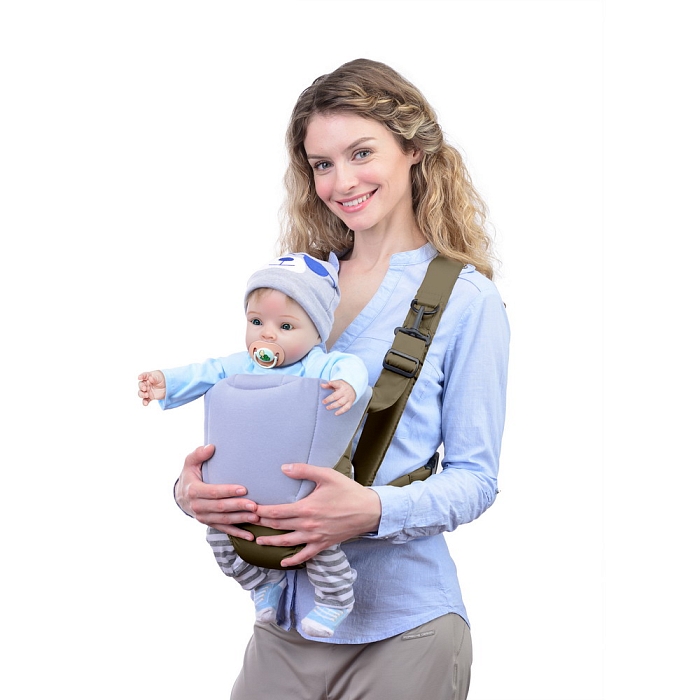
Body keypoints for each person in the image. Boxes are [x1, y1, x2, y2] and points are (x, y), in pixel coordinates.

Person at [173, 58, 509, 699]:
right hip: (284, 622)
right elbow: (250, 420)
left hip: (404, 629)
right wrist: (194, 491)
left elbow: (476, 478)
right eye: (322, 164)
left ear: (413, 148)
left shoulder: (466, 300)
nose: (342, 181)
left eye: (361, 153)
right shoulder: (297, 287)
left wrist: (372, 510)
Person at [138, 253, 369, 638]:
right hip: (242, 490)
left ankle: (335, 598)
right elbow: (207, 371)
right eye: (257, 322)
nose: (267, 335)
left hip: (299, 492)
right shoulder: (242, 366)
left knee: (316, 541)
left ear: (317, 333)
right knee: (220, 534)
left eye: (285, 326)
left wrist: (348, 385)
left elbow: (352, 367)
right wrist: (167, 382)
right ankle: (262, 584)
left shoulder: (319, 366)